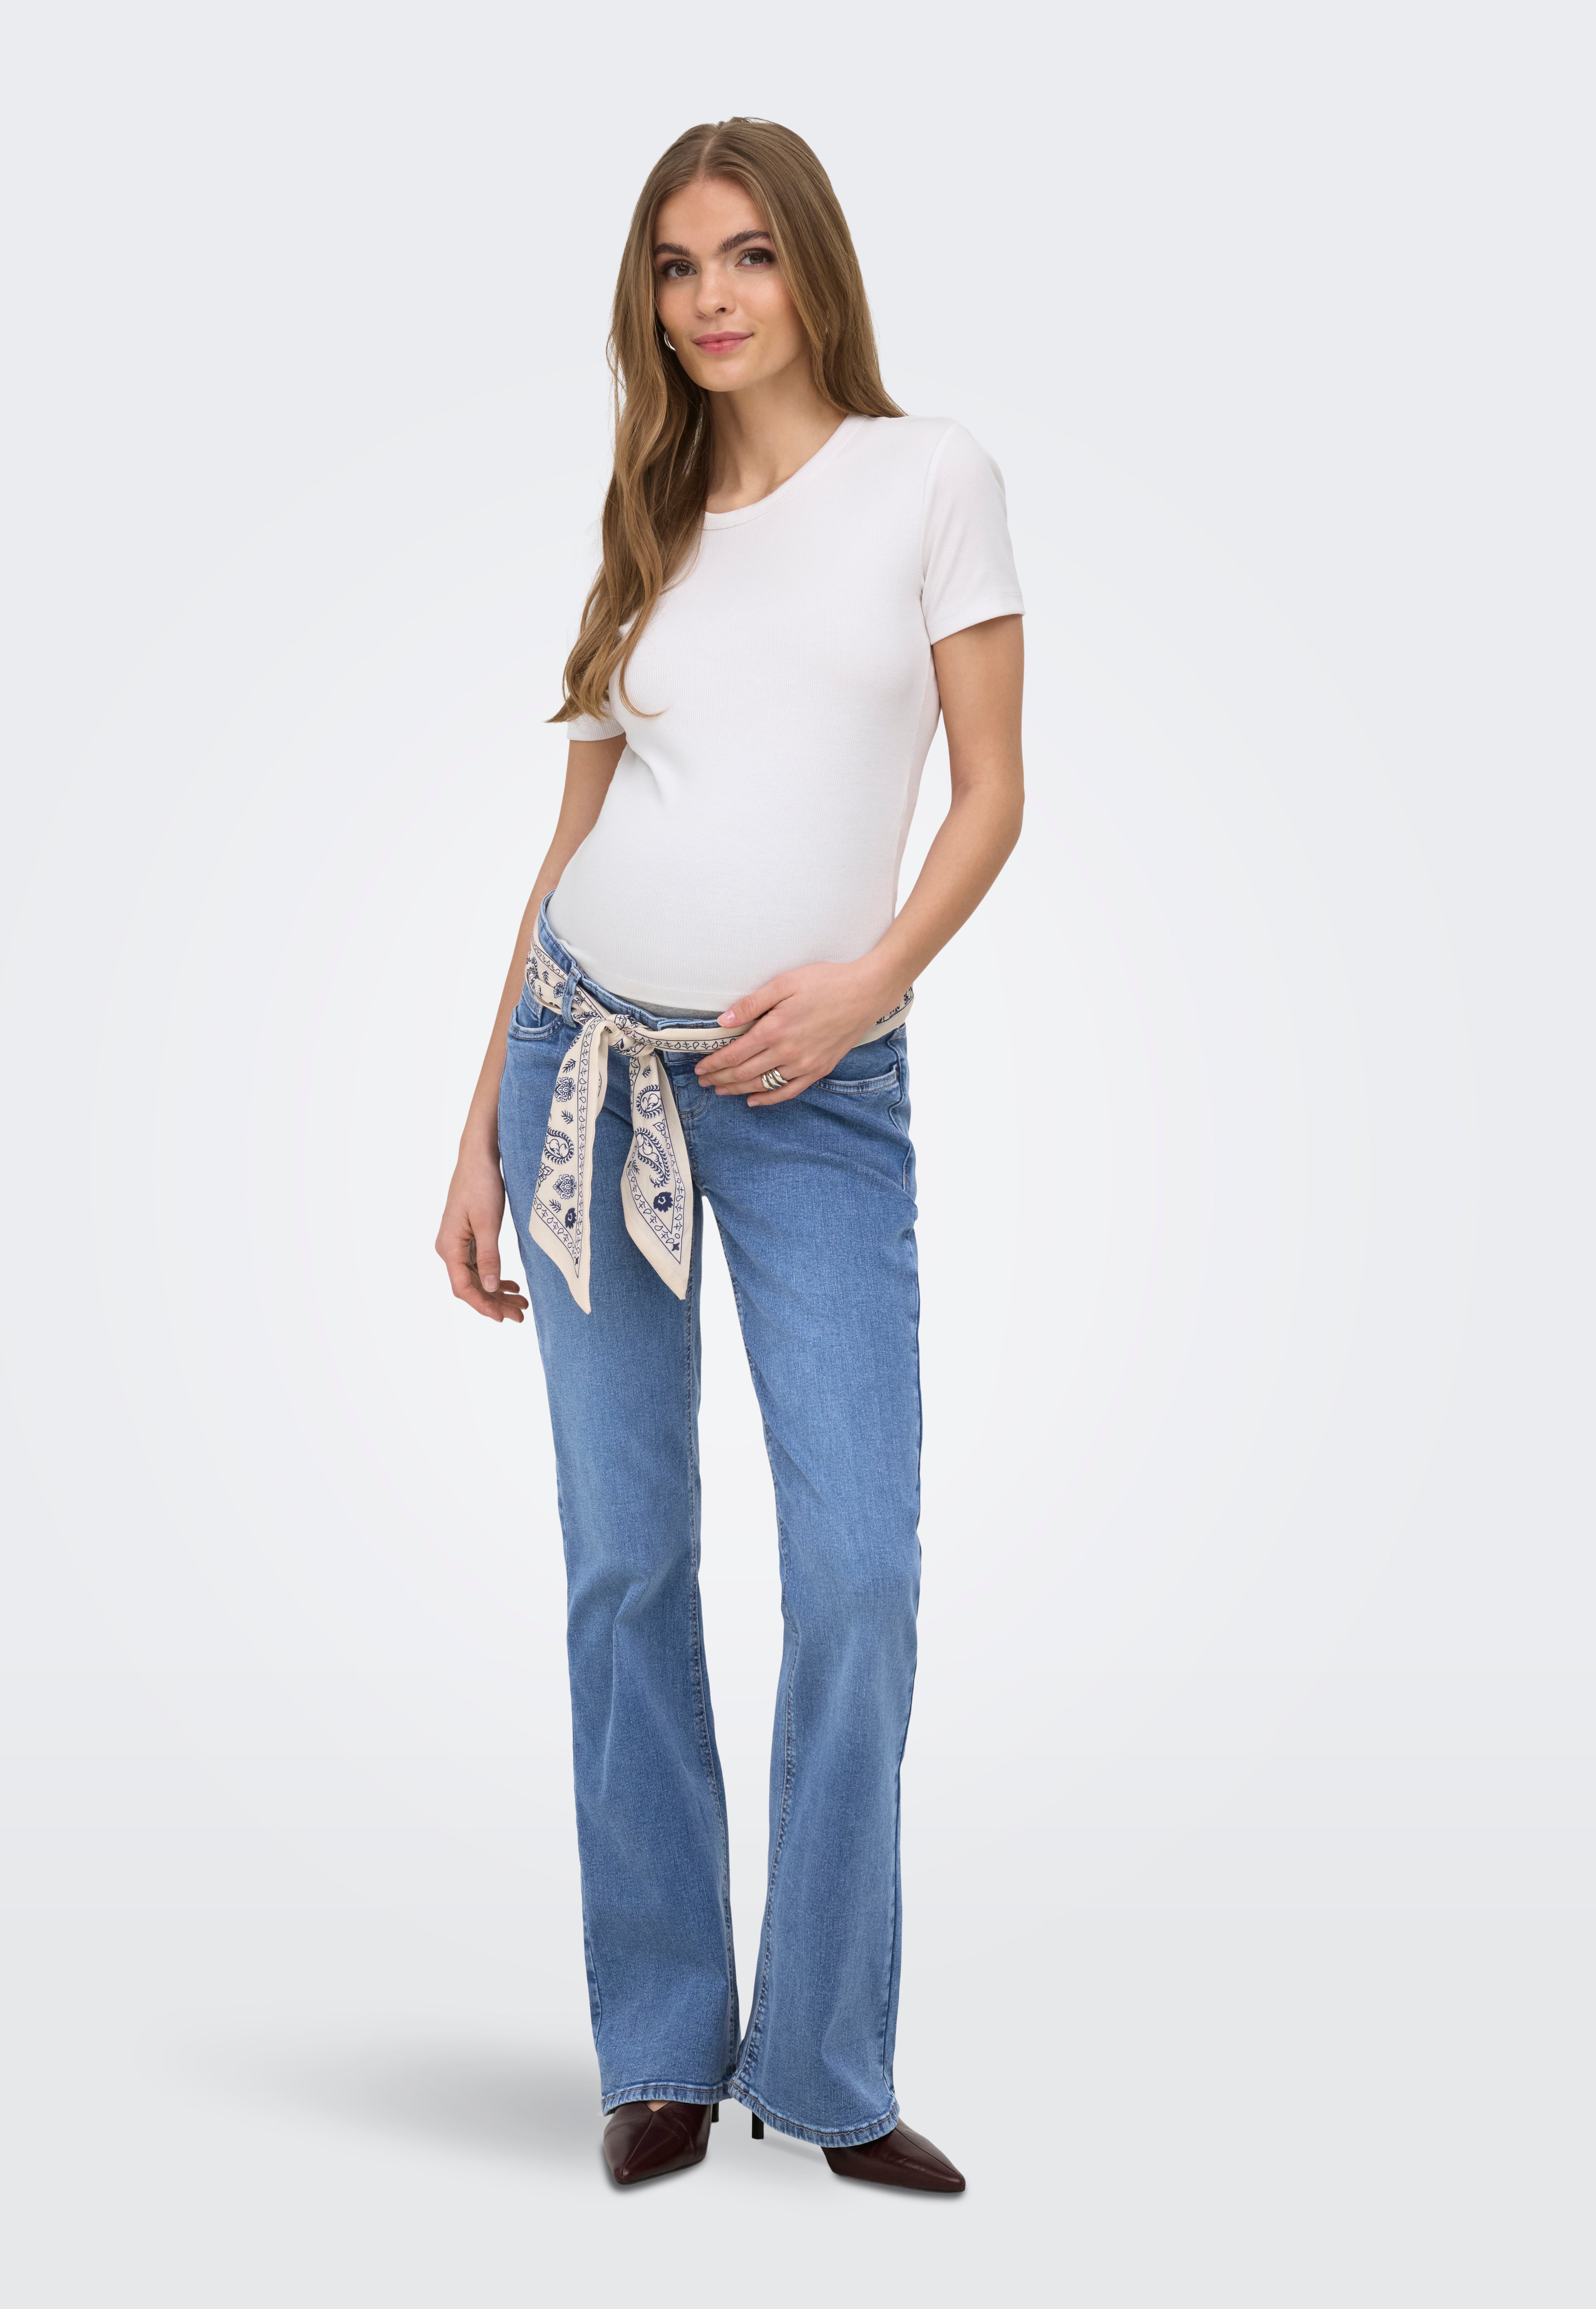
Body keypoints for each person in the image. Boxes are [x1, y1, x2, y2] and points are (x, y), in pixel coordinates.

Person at [435, 116, 1025, 2193]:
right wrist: (474, 1132)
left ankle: (830, 2064)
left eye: (748, 254)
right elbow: (572, 845)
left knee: (860, 1569)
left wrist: (866, 985)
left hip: (814, 1097)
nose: (711, 299)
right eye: (678, 265)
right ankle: (664, 2045)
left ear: (812, 268)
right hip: (583, 1066)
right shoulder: (648, 514)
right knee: (628, 1563)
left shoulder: (930, 480)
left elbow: (990, 793)